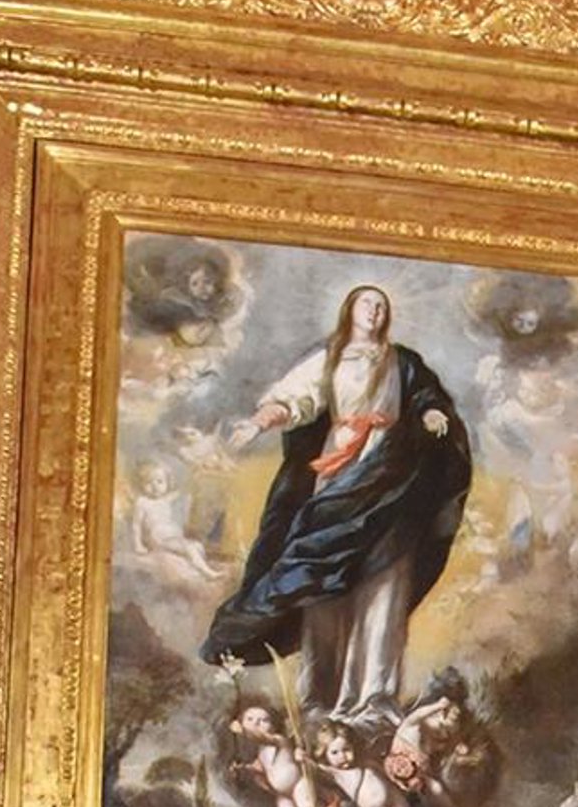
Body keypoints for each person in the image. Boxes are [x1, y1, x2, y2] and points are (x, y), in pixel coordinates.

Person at [202, 281, 472, 721]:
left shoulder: (402, 362)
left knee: (385, 581)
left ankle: (375, 696)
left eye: (382, 305)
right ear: (349, 309)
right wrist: (258, 424)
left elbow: (425, 394)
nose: (375, 311)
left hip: (394, 477)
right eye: (367, 303)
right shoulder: (329, 358)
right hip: (338, 473)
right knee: (321, 581)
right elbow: (294, 401)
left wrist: (430, 412)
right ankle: (318, 697)